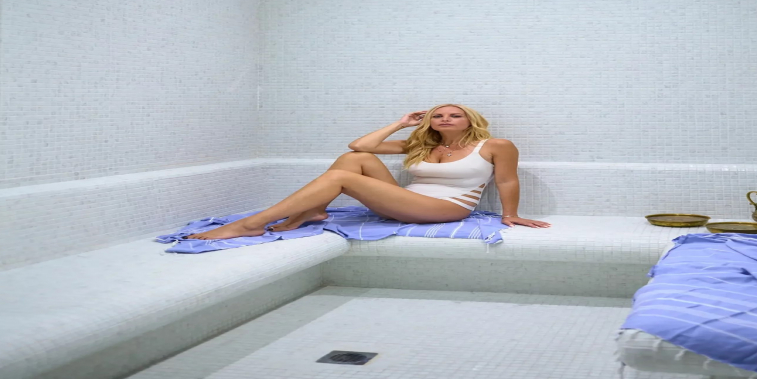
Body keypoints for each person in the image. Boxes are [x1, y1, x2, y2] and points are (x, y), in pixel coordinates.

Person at [188, 104, 551, 239]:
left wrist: (511, 214)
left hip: (446, 208)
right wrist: (401, 123)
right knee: (351, 161)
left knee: (341, 178)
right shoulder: (419, 144)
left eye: (454, 115)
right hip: (405, 202)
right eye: (437, 115)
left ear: (470, 120)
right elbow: (360, 146)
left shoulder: (495, 145)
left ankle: (251, 224)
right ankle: (312, 210)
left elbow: (506, 179)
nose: (445, 119)